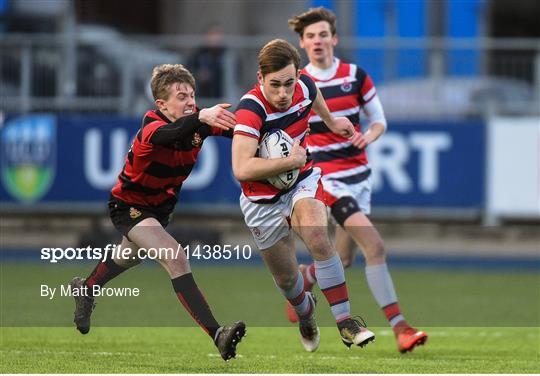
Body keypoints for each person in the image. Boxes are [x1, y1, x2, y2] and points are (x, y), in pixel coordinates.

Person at [70, 64, 245, 361]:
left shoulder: (197, 120)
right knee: (175, 256)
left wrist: (274, 129)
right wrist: (201, 116)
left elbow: (242, 129)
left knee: (127, 256)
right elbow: (170, 134)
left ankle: (86, 288)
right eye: (181, 96)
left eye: (192, 95)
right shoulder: (152, 128)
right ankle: (218, 334)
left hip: (159, 211)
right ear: (161, 104)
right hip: (129, 207)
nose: (190, 101)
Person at [287, 7, 428, 353]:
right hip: (327, 181)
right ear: (302, 44)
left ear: (334, 39)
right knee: (375, 246)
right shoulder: (300, 83)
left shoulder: (355, 75)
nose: (317, 41)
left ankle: (304, 279)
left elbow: (378, 120)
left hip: (359, 178)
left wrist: (371, 135)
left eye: (323, 34)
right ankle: (401, 328)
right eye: (310, 36)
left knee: (344, 259)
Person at [231, 39, 375, 353]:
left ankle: (346, 322)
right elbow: (241, 168)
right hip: (261, 201)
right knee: (287, 282)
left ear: (297, 75)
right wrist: (288, 162)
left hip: (302, 181)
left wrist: (332, 121)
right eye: (275, 85)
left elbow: (313, 91)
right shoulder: (251, 110)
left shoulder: (304, 86)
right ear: (260, 79)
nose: (283, 93)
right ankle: (305, 312)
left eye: (289, 83)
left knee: (319, 238)